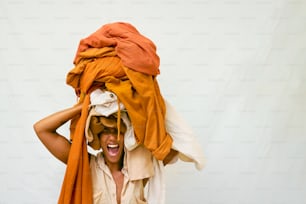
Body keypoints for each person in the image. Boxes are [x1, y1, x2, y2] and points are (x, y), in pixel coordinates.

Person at [33, 100, 178, 204]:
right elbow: (42, 129)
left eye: (118, 131)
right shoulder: (86, 166)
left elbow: (175, 147)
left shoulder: (141, 168)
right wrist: (84, 107)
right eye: (106, 131)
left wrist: (145, 104)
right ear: (98, 137)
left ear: (126, 137)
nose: (113, 137)